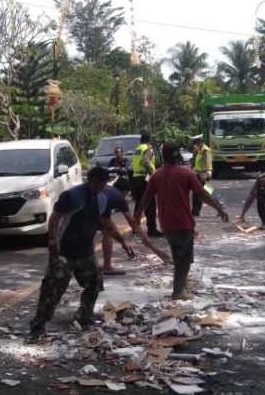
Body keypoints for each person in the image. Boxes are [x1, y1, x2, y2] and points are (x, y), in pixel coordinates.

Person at [27, 167, 130, 343]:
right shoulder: (72, 196)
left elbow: (107, 224)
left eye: (104, 184)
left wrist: (122, 242)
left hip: (85, 250)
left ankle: (84, 316)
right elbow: (55, 217)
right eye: (98, 183)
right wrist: (52, 239)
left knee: (95, 282)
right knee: (52, 288)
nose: (101, 186)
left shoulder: (102, 199)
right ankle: (38, 326)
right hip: (64, 250)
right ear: (91, 180)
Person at [136, 142, 229, 301]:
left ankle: (182, 287)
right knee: (184, 258)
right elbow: (202, 194)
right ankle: (178, 291)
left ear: (163, 156)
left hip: (166, 223)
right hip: (183, 222)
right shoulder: (186, 174)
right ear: (177, 155)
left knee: (180, 255)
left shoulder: (156, 176)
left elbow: (145, 199)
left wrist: (137, 217)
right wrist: (219, 209)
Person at [101, 185, 172, 276]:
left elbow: (110, 226)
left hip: (87, 207)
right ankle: (107, 267)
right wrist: (151, 246)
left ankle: (94, 264)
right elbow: (132, 223)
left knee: (105, 229)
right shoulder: (119, 198)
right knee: (106, 233)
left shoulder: (109, 191)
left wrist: (123, 242)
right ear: (125, 192)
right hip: (91, 209)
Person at [131, 133, 161, 237]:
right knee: (151, 204)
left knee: (139, 203)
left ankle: (135, 227)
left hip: (136, 178)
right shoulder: (148, 148)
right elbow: (145, 162)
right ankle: (152, 229)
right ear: (149, 140)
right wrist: (153, 173)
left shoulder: (138, 148)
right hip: (144, 179)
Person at [191, 137, 213, 217]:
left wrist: (207, 174)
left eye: (196, 144)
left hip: (203, 175)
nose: (195, 146)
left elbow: (208, 163)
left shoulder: (205, 150)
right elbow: (197, 162)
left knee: (204, 193)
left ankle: (196, 211)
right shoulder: (200, 150)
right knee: (199, 193)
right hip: (198, 175)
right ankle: (195, 211)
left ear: (200, 143)